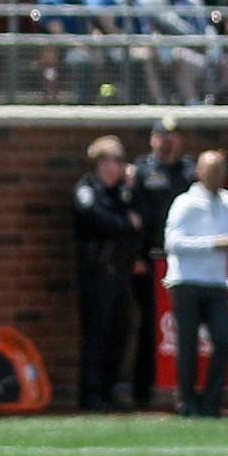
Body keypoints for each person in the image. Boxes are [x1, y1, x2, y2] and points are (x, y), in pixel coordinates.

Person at [162, 150, 228, 416]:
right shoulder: (184, 203)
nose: (215, 176)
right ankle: (187, 402)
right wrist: (213, 243)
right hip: (186, 281)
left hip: (216, 282)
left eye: (220, 171)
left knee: (223, 340)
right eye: (210, 171)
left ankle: (211, 401)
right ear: (198, 172)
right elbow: (172, 244)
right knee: (187, 344)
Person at [127, 117, 192, 410]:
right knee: (151, 327)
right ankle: (143, 391)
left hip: (185, 257)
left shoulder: (189, 172)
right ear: (153, 139)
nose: (168, 140)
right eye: (163, 135)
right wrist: (137, 257)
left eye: (173, 135)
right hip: (151, 259)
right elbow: (134, 219)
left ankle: (181, 387)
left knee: (184, 327)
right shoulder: (142, 172)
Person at [74, 135, 137, 410]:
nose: (121, 166)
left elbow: (141, 221)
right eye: (117, 160)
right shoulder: (87, 189)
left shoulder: (122, 192)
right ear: (101, 162)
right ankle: (91, 394)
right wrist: (125, 224)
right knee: (96, 335)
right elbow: (97, 219)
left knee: (119, 332)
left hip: (120, 273)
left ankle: (110, 390)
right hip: (96, 272)